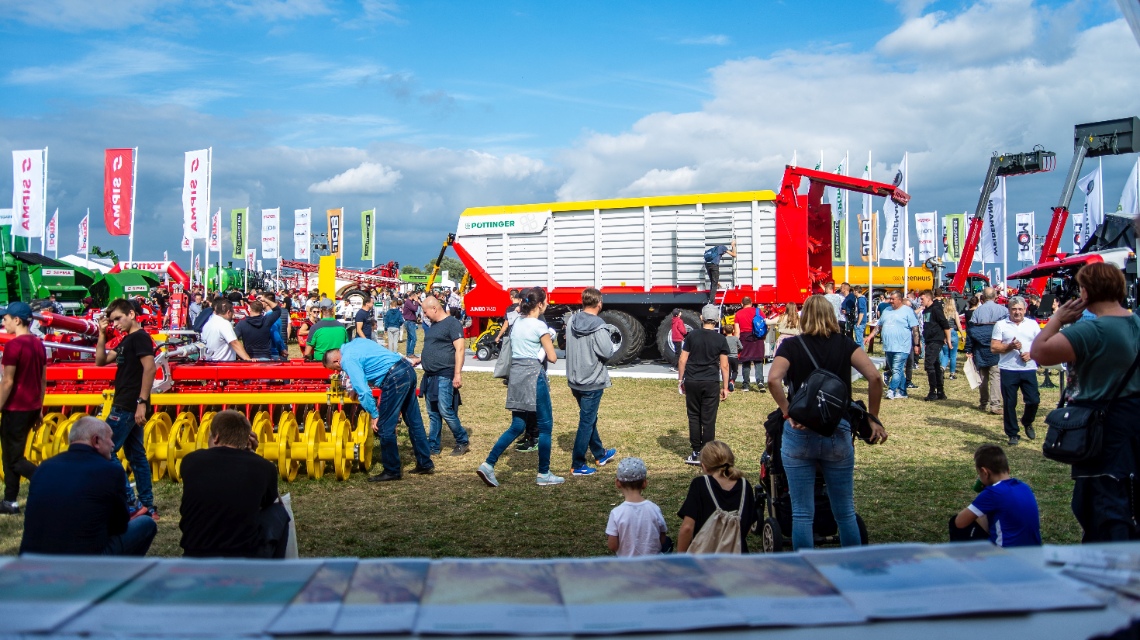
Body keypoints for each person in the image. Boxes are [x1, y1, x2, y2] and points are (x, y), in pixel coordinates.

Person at [1030, 263, 1140, 542]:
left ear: (1086, 292)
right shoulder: (1136, 322)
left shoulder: (1093, 331)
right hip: (1134, 416)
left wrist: (1057, 319)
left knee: (1102, 499)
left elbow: (1040, 352)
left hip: (1103, 423)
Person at [768, 294, 887, 551]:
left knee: (801, 513)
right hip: (837, 429)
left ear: (804, 317)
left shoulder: (791, 346)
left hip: (799, 431)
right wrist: (872, 417)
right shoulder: (846, 345)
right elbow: (875, 378)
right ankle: (853, 568)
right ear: (832, 316)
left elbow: (773, 379)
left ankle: (807, 570)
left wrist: (788, 412)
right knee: (845, 511)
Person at [19, 417, 156, 555]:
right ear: (96, 440)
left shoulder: (44, 467)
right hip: (83, 562)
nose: (113, 445)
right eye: (110, 439)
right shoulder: (110, 471)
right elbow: (119, 525)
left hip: (34, 559)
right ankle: (119, 573)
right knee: (147, 523)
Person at [476, 287, 563, 487]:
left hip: (517, 376)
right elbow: (552, 357)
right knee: (545, 426)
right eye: (546, 301)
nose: (548, 304)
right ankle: (544, 473)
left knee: (518, 425)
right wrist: (550, 337)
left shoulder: (516, 324)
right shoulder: (540, 326)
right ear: (539, 304)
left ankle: (489, 464)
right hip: (534, 376)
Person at [179, 410, 290, 558]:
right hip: (243, 559)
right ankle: (274, 573)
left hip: (194, 555)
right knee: (279, 512)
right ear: (246, 440)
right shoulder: (264, 467)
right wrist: (251, 454)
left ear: (216, 437)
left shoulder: (190, 461)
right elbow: (267, 502)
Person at [324, 340, 435, 481]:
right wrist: (355, 389)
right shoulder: (355, 343)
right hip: (406, 370)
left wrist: (374, 414)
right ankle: (425, 463)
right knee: (414, 422)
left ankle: (392, 470)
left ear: (336, 361)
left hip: (394, 378)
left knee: (384, 427)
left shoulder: (347, 360)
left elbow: (364, 392)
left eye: (338, 369)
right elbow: (371, 365)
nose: (341, 371)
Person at [95, 299, 158, 518]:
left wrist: (141, 403)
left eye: (118, 319)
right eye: (112, 321)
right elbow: (100, 361)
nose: (116, 324)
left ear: (131, 314)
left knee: (105, 450)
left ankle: (131, 502)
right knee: (136, 455)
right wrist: (103, 335)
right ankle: (148, 506)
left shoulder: (139, 338)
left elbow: (150, 369)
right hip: (128, 403)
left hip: (127, 404)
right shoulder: (126, 340)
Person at [564, 287, 618, 476]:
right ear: (599, 303)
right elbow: (607, 352)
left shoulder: (572, 320)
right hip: (592, 381)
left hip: (575, 379)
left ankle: (599, 453)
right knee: (586, 422)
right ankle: (577, 464)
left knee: (589, 418)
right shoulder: (599, 325)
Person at [0, 301, 45, 514]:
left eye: (5, 318)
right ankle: (10, 501)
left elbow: (7, 382)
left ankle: (48, 482)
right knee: (10, 456)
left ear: (16, 320)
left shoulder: (13, 346)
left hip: (15, 408)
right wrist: (39, 408)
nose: (3, 322)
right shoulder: (38, 344)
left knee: (14, 458)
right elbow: (42, 380)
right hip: (31, 407)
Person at [951, 444, 1041, 547]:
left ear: (985, 472)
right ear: (1008, 469)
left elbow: (959, 522)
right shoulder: (1024, 487)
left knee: (955, 521)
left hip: (1006, 559)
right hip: (1034, 555)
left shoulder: (993, 492)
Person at [676, 441, 757, 553]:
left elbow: (687, 528)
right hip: (737, 558)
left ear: (704, 466)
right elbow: (747, 528)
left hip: (705, 559)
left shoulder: (700, 484)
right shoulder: (745, 485)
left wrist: (680, 557)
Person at [419, 296, 471, 457]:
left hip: (444, 374)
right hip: (430, 376)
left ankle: (462, 440)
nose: (425, 315)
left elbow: (460, 349)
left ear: (434, 308)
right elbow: (434, 348)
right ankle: (433, 446)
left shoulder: (452, 324)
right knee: (433, 412)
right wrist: (418, 359)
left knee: (445, 410)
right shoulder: (434, 325)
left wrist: (457, 374)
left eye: (426, 312)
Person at [678, 305, 729, 466]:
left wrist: (681, 380)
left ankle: (695, 452)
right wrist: (725, 386)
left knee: (694, 416)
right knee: (708, 418)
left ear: (701, 318)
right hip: (711, 381)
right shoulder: (721, 339)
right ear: (717, 320)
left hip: (692, 380)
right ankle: (707, 453)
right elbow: (724, 365)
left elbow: (682, 359)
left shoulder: (692, 336)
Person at [991, 296, 1041, 445]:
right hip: (1008, 369)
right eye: (1014, 309)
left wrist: (1031, 354)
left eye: (1020, 309)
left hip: (1028, 368)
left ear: (1025, 310)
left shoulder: (1032, 325)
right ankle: (1012, 433)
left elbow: (1041, 344)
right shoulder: (1001, 325)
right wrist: (1010, 347)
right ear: (1009, 310)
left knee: (1034, 400)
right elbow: (994, 347)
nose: (1017, 312)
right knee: (1009, 403)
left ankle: (1027, 421)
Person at [606, 457, 668, 556]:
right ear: (644, 483)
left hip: (628, 567)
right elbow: (662, 537)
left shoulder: (616, 513)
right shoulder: (654, 508)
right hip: (654, 565)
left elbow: (612, 545)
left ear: (618, 483)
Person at [864, 291, 919, 399]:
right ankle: (903, 392)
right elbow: (878, 326)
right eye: (890, 299)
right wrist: (870, 337)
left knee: (897, 368)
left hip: (902, 346)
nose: (891, 301)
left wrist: (917, 344)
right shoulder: (886, 310)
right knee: (896, 370)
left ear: (900, 300)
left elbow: (915, 329)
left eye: (893, 299)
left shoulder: (908, 311)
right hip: (888, 346)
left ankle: (891, 390)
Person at [968, 287, 1008, 414]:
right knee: (996, 376)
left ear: (982, 298)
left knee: (983, 377)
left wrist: (969, 349)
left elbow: (971, 332)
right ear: (996, 296)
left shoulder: (977, 312)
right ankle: (995, 405)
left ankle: (983, 402)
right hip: (996, 347)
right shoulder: (1004, 311)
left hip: (980, 348)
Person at [919, 290, 951, 402]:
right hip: (929, 340)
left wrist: (948, 340)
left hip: (936, 340)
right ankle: (940, 391)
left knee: (929, 364)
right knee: (936, 365)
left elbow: (945, 325)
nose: (921, 301)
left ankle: (933, 391)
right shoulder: (926, 310)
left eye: (922, 299)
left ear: (929, 298)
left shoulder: (936, 309)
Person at [732, 297, 766, 392]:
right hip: (757, 338)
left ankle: (746, 385)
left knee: (746, 361)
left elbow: (737, 331)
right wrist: (763, 337)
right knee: (758, 360)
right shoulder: (759, 312)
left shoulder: (738, 314)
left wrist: (736, 343)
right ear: (751, 303)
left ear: (742, 304)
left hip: (745, 338)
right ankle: (760, 382)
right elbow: (765, 325)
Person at [234, 295, 283, 360]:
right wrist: (265, 299)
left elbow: (233, 340)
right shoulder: (267, 321)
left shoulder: (242, 324)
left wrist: (239, 355)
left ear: (249, 309)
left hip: (249, 358)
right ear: (262, 309)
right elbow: (278, 310)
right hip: (265, 357)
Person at [703, 239, 736, 304]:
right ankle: (711, 301)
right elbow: (734, 254)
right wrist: (733, 245)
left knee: (713, 282)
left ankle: (711, 299)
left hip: (707, 265)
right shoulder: (723, 247)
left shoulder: (715, 249)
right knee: (714, 284)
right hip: (714, 265)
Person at [940, 296, 962, 380]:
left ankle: (942, 367)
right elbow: (959, 325)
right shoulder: (954, 313)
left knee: (946, 354)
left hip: (945, 333)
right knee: (953, 355)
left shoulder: (943, 313)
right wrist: (962, 335)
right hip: (953, 333)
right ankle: (952, 373)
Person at [724, 327, 741, 393]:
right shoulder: (736, 338)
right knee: (735, 371)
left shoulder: (724, 339)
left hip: (727, 357)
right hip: (735, 357)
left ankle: (727, 385)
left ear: (725, 331)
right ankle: (732, 380)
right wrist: (737, 351)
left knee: (728, 371)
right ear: (733, 330)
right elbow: (741, 347)